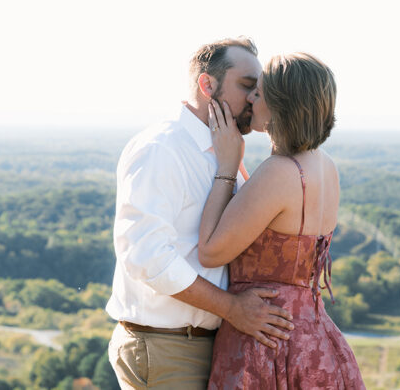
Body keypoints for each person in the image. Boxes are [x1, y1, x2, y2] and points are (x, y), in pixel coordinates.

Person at [106, 37, 295, 389]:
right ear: (207, 85)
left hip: (207, 345)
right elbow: (147, 258)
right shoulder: (163, 149)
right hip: (167, 347)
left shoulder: (223, 151)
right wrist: (233, 308)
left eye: (258, 89)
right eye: (246, 86)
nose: (254, 98)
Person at [199, 52, 365, 389]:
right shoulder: (325, 165)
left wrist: (228, 167)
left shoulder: (279, 173)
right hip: (315, 338)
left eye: (258, 93)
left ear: (280, 106)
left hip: (267, 340)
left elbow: (210, 252)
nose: (250, 99)